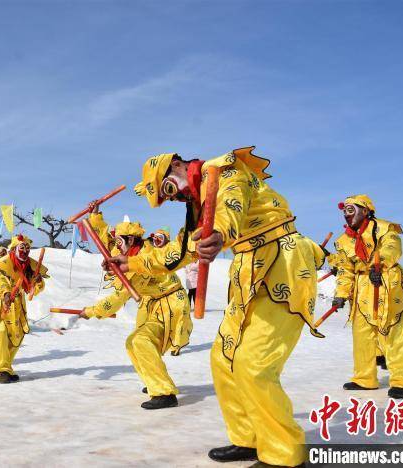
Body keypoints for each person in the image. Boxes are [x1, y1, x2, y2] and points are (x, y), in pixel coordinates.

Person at [109, 147, 325, 467]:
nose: (176, 197)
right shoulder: (199, 205)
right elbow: (180, 251)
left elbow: (230, 207)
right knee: (222, 358)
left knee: (254, 363)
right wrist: (131, 263)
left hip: (285, 263)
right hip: (247, 269)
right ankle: (248, 437)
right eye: (169, 197)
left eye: (170, 189)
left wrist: (220, 233)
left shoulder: (225, 172)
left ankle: (284, 453)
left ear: (178, 165)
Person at [80, 207, 192, 409]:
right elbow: (107, 238)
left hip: (170, 304)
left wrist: (90, 312)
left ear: (131, 240)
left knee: (141, 340)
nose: (116, 245)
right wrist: (96, 217)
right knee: (133, 342)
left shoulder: (142, 259)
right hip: (152, 302)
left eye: (120, 241)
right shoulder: (129, 249)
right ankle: (153, 382)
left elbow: (119, 297)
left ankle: (164, 392)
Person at [332, 195, 403, 399]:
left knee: (391, 333)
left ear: (365, 210)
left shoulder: (384, 228)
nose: (346, 215)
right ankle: (364, 379)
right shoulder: (345, 240)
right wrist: (341, 295)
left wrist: (379, 263)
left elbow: (392, 247)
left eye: (350, 210)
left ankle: (402, 381)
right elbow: (345, 270)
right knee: (362, 335)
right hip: (363, 287)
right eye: (344, 211)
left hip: (387, 282)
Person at [0, 235, 47, 383]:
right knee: (0, 333)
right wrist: (6, 294)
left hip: (17, 304)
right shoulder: (3, 264)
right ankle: (2, 370)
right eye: (22, 248)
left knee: (17, 336)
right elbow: (1, 282)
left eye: (27, 248)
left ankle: (3, 367)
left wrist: (37, 282)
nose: (25, 251)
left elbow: (32, 290)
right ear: (13, 249)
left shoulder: (29, 266)